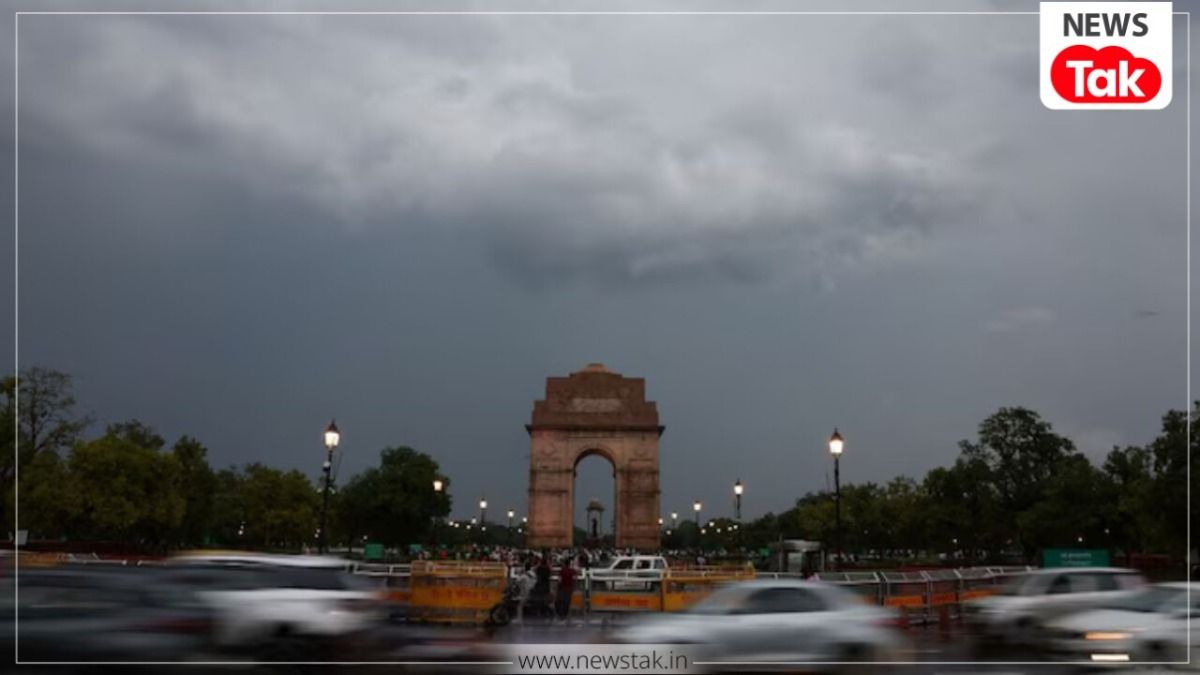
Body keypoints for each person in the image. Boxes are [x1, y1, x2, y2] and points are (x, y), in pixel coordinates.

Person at [556, 556, 577, 622]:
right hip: (569, 588)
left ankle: (561, 614)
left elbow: (559, 580)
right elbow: (575, 577)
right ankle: (565, 613)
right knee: (567, 601)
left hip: (562, 588)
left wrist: (558, 587)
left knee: (561, 600)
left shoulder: (562, 571)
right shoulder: (572, 571)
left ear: (565, 563)